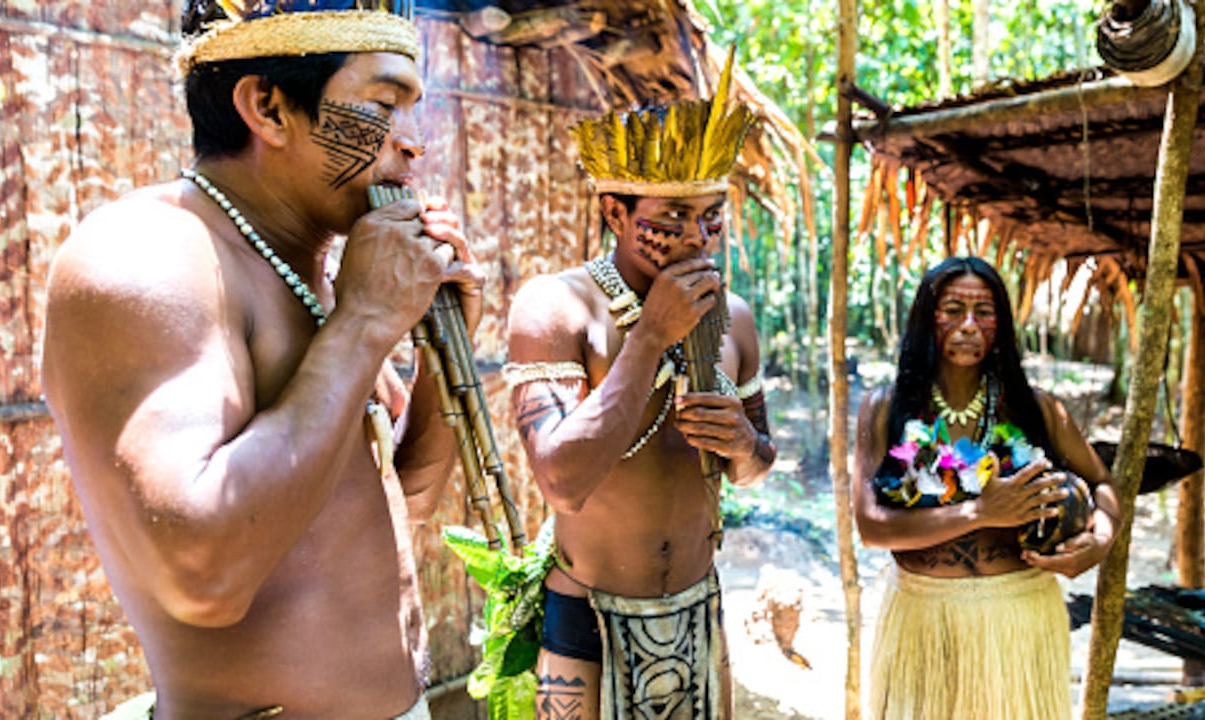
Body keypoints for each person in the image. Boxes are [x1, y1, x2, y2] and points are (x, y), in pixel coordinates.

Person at [39, 3, 483, 718]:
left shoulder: (315, 277)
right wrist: (366, 322)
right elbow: (201, 571)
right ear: (269, 107)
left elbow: (404, 504)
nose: (412, 145)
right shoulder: (151, 253)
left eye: (411, 110)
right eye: (382, 104)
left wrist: (437, 358)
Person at [503, 51, 775, 720]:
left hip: (698, 611)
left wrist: (742, 444)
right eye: (669, 221)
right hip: (587, 624)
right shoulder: (555, 308)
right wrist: (651, 335)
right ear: (615, 213)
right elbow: (561, 482)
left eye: (712, 217)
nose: (695, 239)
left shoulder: (733, 318)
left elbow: (756, 466)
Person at [853, 256, 1122, 720]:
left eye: (984, 311)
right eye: (953, 310)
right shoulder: (885, 408)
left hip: (1018, 619)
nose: (969, 326)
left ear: (1001, 323)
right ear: (925, 318)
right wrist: (979, 512)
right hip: (922, 621)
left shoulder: (1036, 409)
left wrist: (1100, 540)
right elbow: (872, 528)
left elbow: (1103, 483)